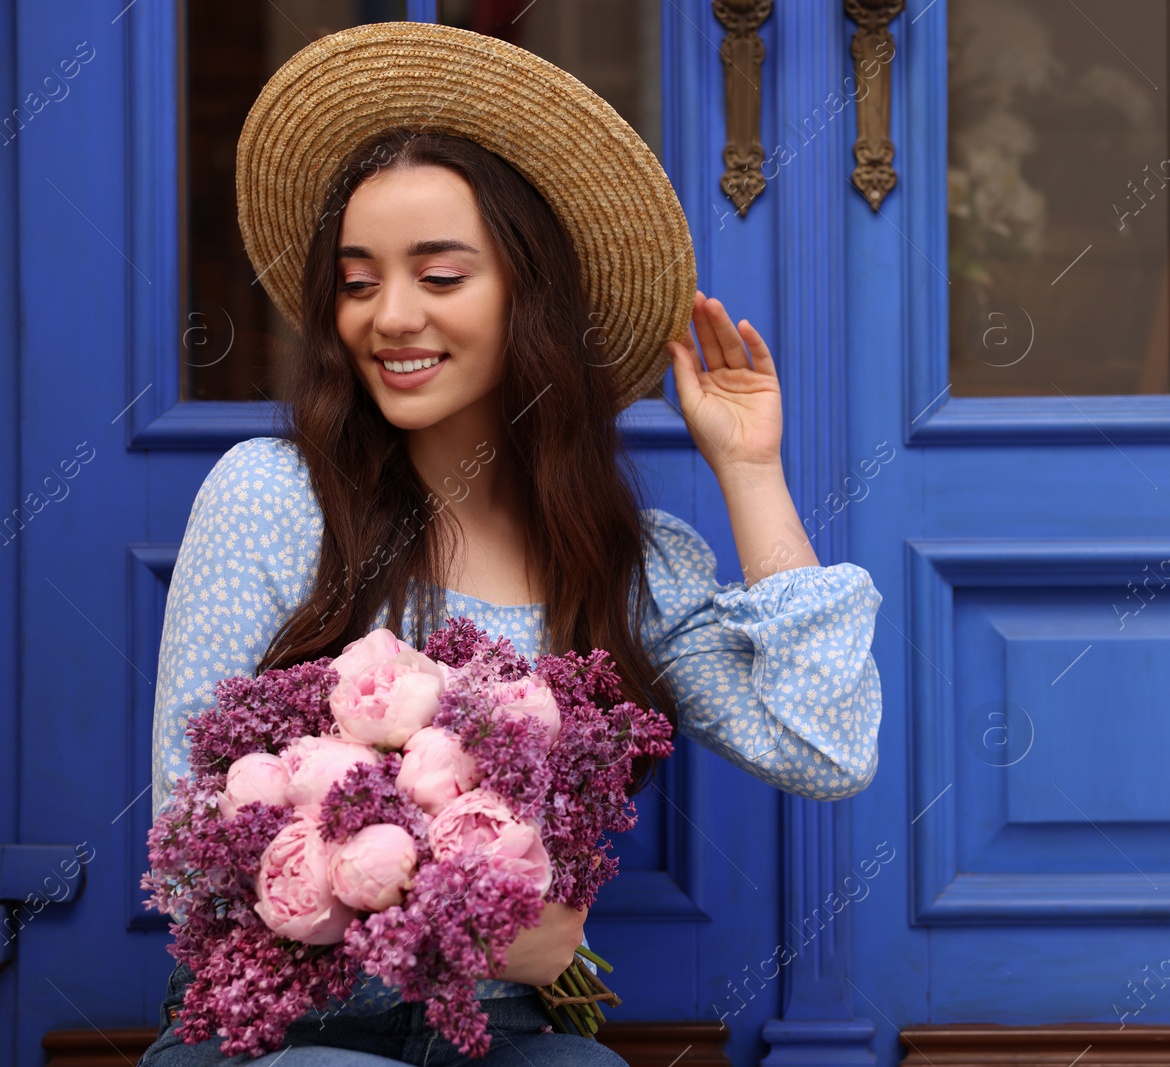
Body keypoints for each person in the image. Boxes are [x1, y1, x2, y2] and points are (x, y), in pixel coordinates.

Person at [139, 21, 883, 1067]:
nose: (390, 316)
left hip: (502, 1030)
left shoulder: (628, 561)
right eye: (358, 282)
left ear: (532, 296)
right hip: (275, 1029)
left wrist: (751, 471)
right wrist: (442, 908)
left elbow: (825, 744)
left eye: (439, 277)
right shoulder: (273, 498)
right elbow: (188, 859)